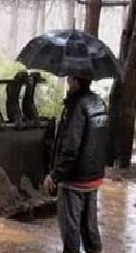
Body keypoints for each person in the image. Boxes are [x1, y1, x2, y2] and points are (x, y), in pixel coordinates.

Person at [43, 76, 109, 253]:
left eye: (70, 79)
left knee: (70, 228)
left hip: (75, 179)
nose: (68, 83)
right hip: (93, 177)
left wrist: (55, 175)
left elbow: (71, 147)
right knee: (90, 226)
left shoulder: (76, 106)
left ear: (76, 81)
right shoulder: (99, 103)